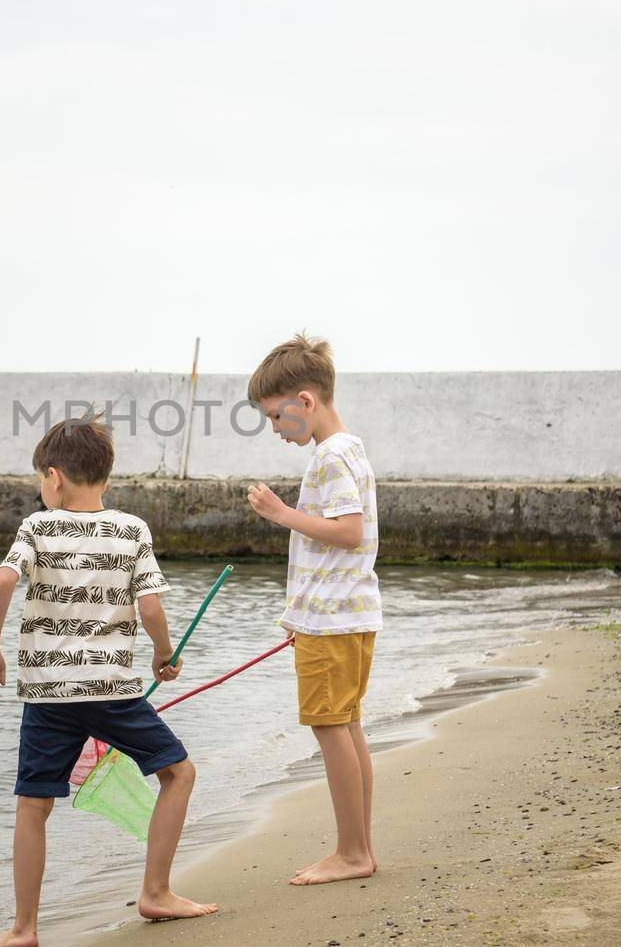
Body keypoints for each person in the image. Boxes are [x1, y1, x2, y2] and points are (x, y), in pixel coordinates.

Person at [0, 416, 217, 946]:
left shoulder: (37, 527)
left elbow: (2, 581)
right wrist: (163, 654)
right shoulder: (131, 530)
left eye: (42, 478)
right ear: (105, 480)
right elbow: (150, 606)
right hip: (112, 691)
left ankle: (24, 928)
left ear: (54, 478)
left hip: (48, 694)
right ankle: (155, 891)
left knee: (33, 805)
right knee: (178, 773)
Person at [244, 332, 383, 886]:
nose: (275, 430)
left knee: (332, 727)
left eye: (277, 417)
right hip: (348, 615)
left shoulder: (329, 457)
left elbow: (348, 532)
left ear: (306, 401)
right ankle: (361, 848)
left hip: (332, 618)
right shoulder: (351, 448)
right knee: (346, 726)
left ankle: (352, 852)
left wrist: (281, 513)